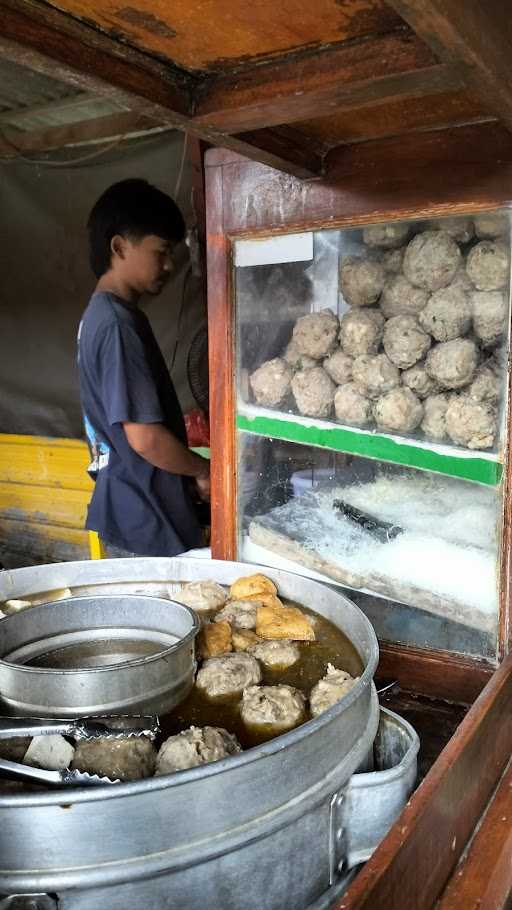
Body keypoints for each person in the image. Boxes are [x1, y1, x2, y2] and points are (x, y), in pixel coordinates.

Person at [77, 178, 210, 557]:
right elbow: (144, 438)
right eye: (162, 251)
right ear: (119, 246)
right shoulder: (117, 324)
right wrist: (201, 471)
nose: (169, 265)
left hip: (128, 508)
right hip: (146, 522)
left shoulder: (98, 315)